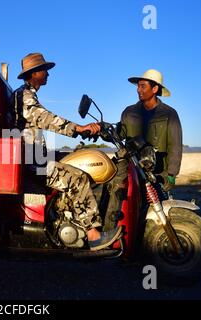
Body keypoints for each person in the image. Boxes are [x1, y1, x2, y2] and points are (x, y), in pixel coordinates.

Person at [10, 52, 122, 251]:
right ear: (34, 73)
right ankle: (94, 234)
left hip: (36, 156)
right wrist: (79, 128)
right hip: (30, 161)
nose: (48, 74)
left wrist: (85, 133)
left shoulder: (27, 94)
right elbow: (46, 119)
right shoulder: (24, 95)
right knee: (77, 178)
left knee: (77, 159)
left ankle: (71, 216)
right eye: (45, 70)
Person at [104, 69, 183, 230]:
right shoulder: (129, 111)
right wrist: (105, 131)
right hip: (131, 169)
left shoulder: (170, 114)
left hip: (158, 171)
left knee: (159, 211)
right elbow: (120, 133)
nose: (138, 90)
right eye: (138, 86)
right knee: (119, 200)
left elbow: (175, 145)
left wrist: (172, 175)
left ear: (155, 89)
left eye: (142, 86)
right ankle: (110, 234)